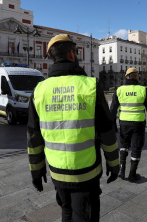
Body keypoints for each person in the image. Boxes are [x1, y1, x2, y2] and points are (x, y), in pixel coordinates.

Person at [27, 34, 120, 222]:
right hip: (86, 172)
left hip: (57, 171)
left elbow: (33, 136)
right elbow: (107, 131)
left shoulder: (39, 91)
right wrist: (114, 163)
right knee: (85, 216)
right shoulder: (91, 86)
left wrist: (36, 171)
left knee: (66, 212)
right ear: (71, 54)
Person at [110, 67, 147, 182]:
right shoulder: (143, 90)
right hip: (138, 124)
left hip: (124, 123)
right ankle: (132, 174)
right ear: (137, 76)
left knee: (124, 145)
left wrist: (113, 123)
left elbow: (113, 109)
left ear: (126, 77)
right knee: (136, 147)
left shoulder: (119, 90)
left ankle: (121, 170)